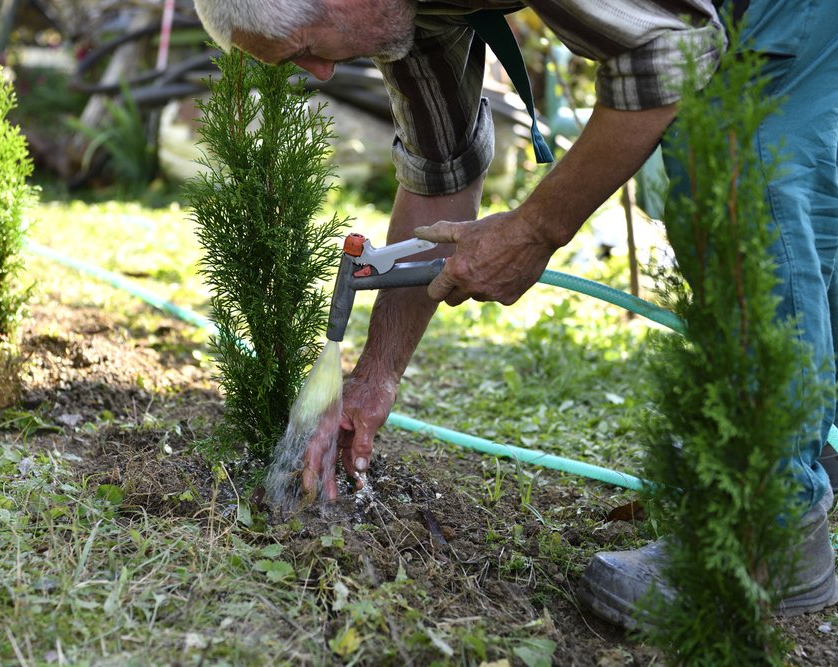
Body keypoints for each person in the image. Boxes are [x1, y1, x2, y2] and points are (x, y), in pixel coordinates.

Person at [192, 0, 838, 628]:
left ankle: (768, 536)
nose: (322, 74)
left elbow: (666, 50)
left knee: (739, 173)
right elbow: (440, 175)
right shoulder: (409, 17)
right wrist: (376, 374)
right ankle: (804, 439)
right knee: (807, 209)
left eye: (305, 49)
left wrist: (534, 229)